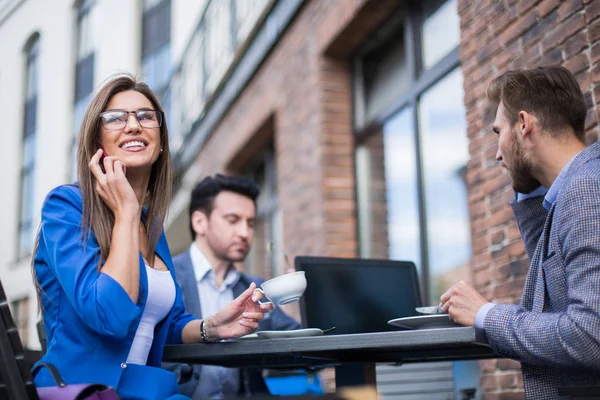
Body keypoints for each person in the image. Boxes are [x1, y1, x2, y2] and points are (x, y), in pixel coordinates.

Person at [31, 74, 273, 400]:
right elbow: (110, 317)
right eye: (115, 118)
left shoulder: (151, 227)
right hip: (84, 389)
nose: (133, 126)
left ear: (160, 144)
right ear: (98, 142)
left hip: (146, 389)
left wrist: (211, 327)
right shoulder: (67, 207)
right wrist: (126, 214)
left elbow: (163, 321)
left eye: (146, 116)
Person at [439, 66, 600, 399]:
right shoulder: (573, 190)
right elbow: (551, 278)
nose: (498, 153)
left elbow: (590, 335)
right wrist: (527, 185)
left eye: (499, 132)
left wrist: (485, 313)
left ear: (524, 124)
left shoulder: (586, 191)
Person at [166, 174, 302, 399]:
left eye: (250, 223)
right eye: (233, 220)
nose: (244, 233)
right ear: (200, 222)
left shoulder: (255, 287)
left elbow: (301, 345)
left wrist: (294, 296)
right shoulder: (166, 278)